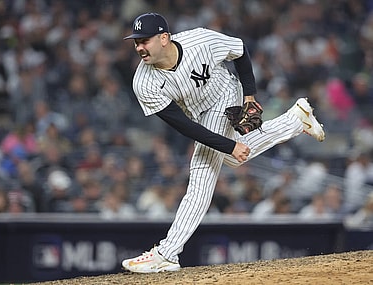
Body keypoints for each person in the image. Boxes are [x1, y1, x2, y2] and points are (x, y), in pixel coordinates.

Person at [121, 13, 325, 273]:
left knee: (202, 173)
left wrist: (249, 95)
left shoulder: (200, 41)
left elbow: (239, 50)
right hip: (198, 116)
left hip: (225, 95)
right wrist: (230, 146)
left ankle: (167, 253)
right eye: (136, 41)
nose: (139, 47)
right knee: (229, 156)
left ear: (164, 38)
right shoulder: (143, 82)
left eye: (144, 40)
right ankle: (295, 120)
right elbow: (185, 126)